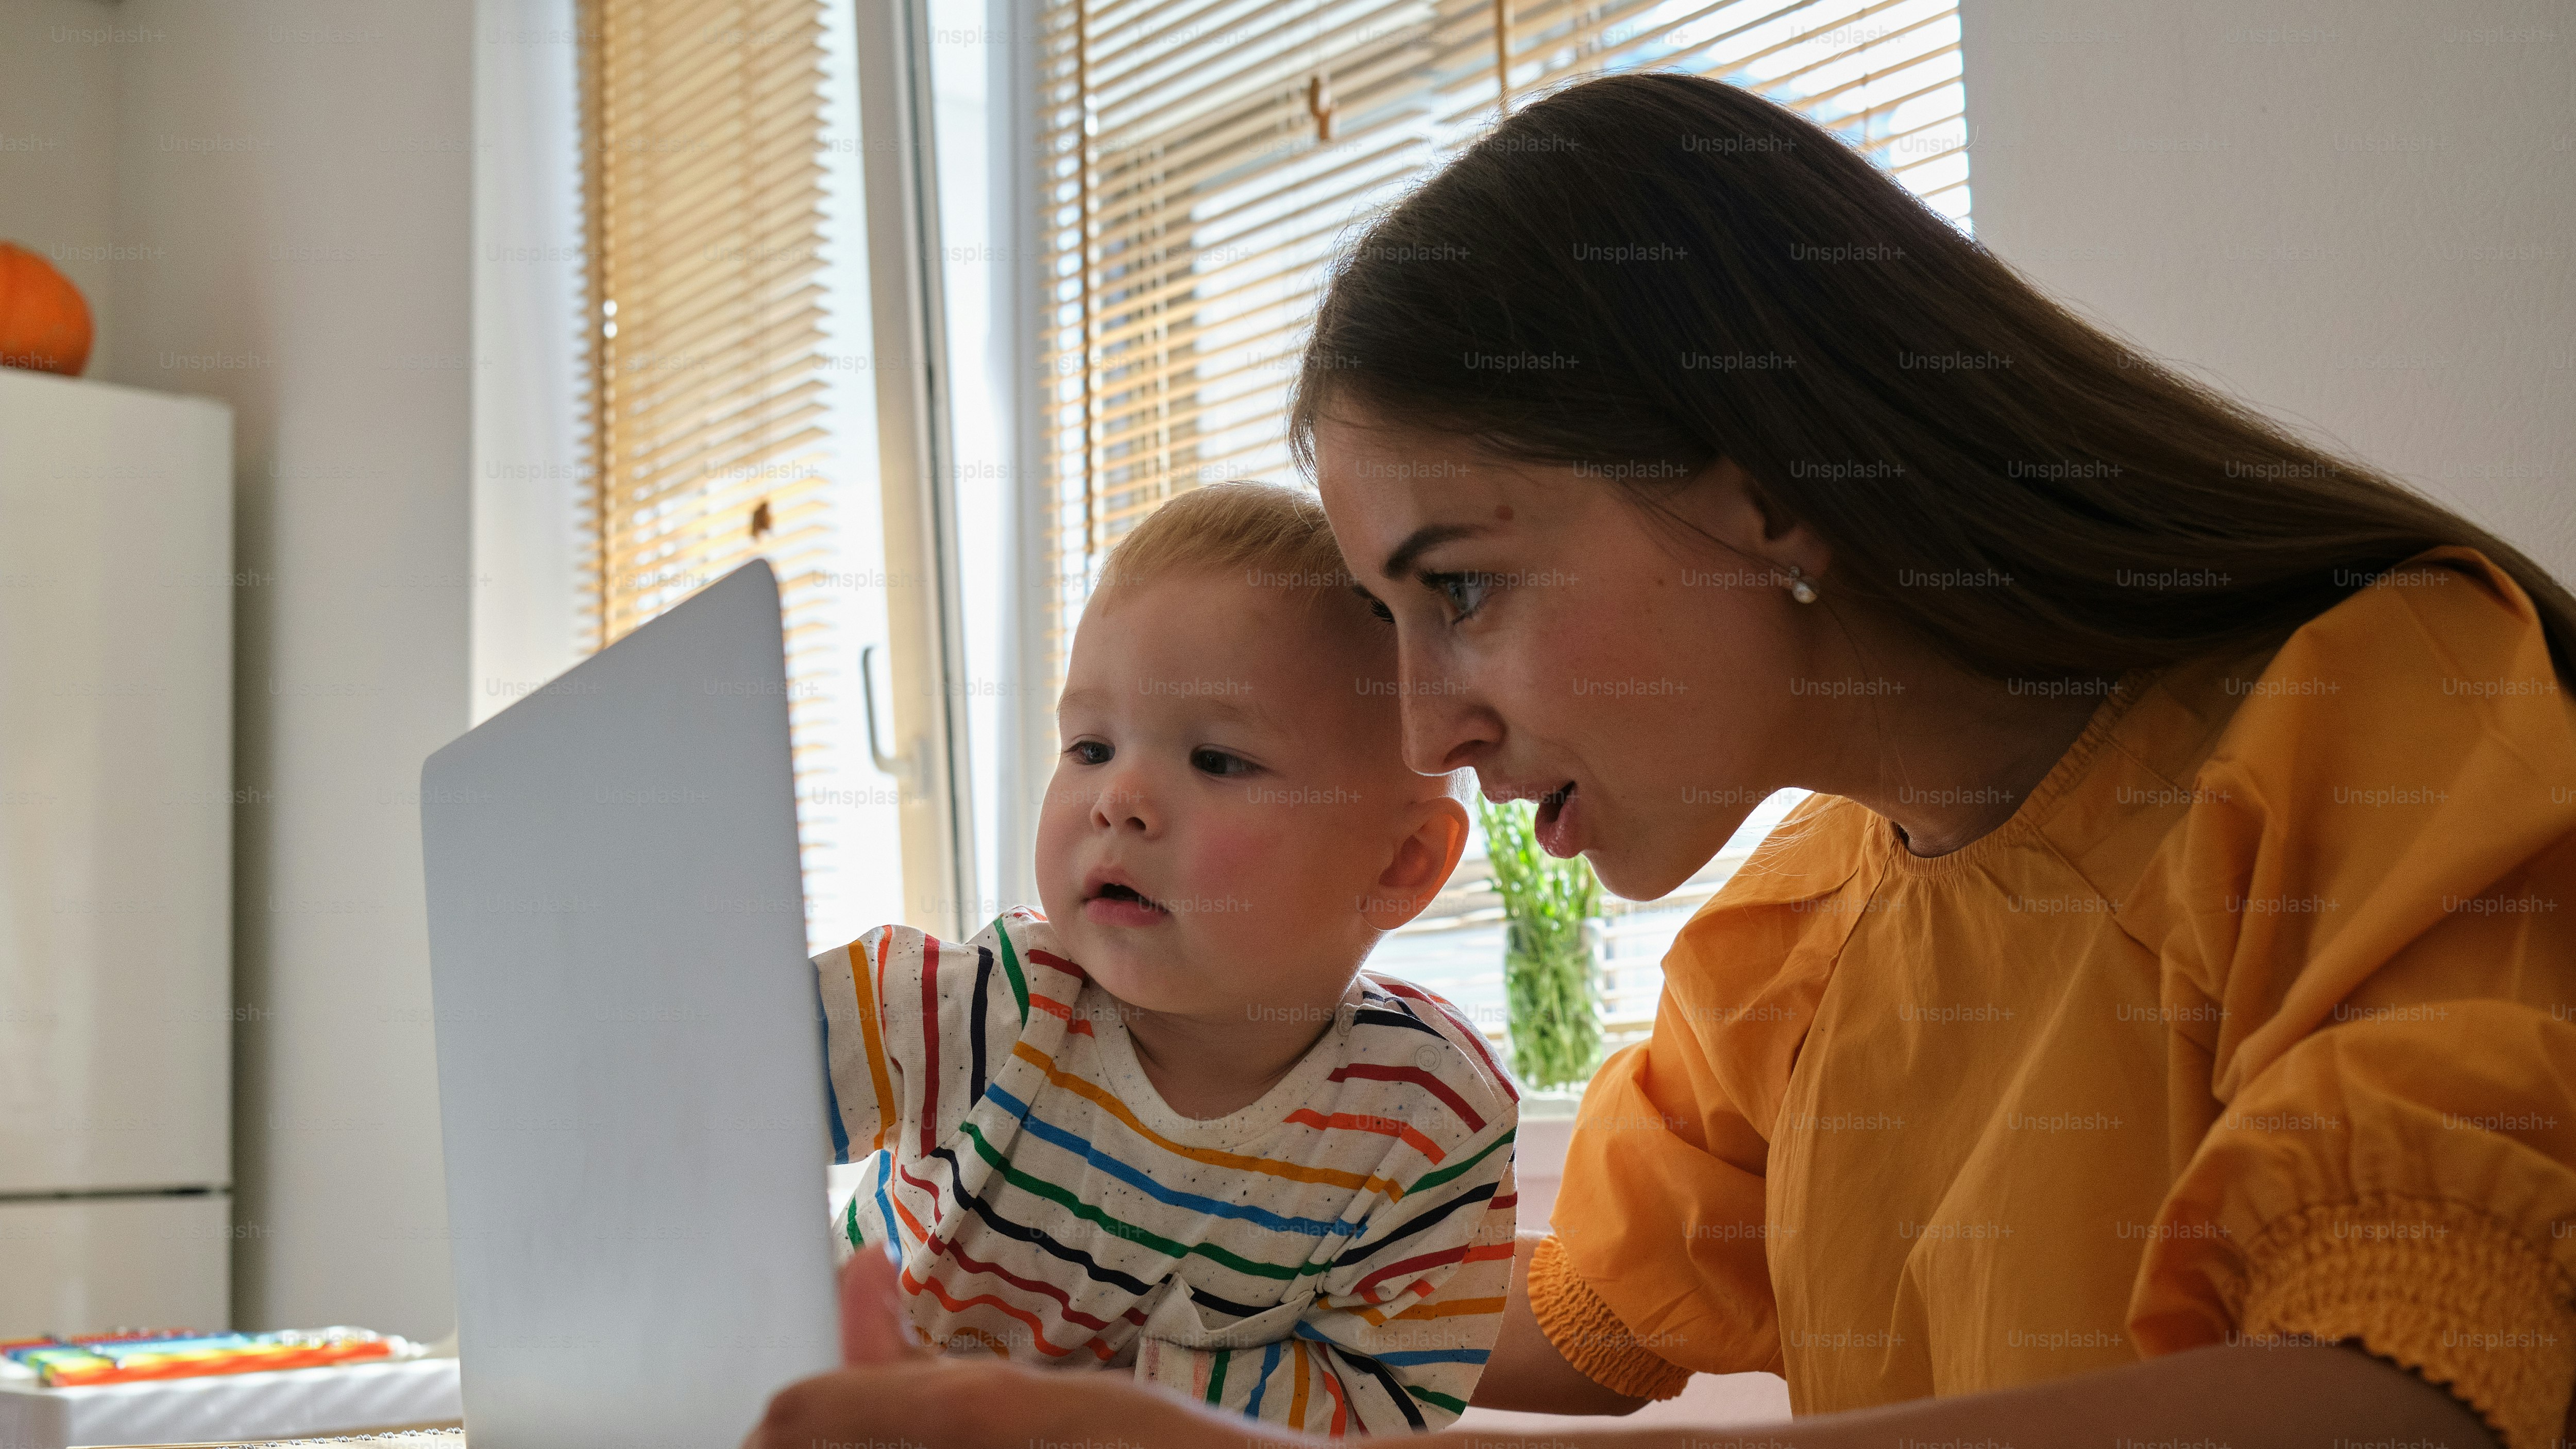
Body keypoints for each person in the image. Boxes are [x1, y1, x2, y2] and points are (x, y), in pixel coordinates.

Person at [748, 72, 2576, 1449]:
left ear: (1762, 485)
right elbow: (1536, 1313)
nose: (1422, 734)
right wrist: (1187, 1137)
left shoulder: (2384, 708)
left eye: (1458, 586)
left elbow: (2405, 1392)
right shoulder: (1801, 945)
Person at [808, 482, 1518, 1433]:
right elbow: (721, 1074)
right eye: (1090, 745)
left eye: (1218, 760)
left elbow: (1388, 1403)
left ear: (1400, 862)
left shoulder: (1429, 1125)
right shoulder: (993, 999)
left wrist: (1114, 1409)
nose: (1119, 799)